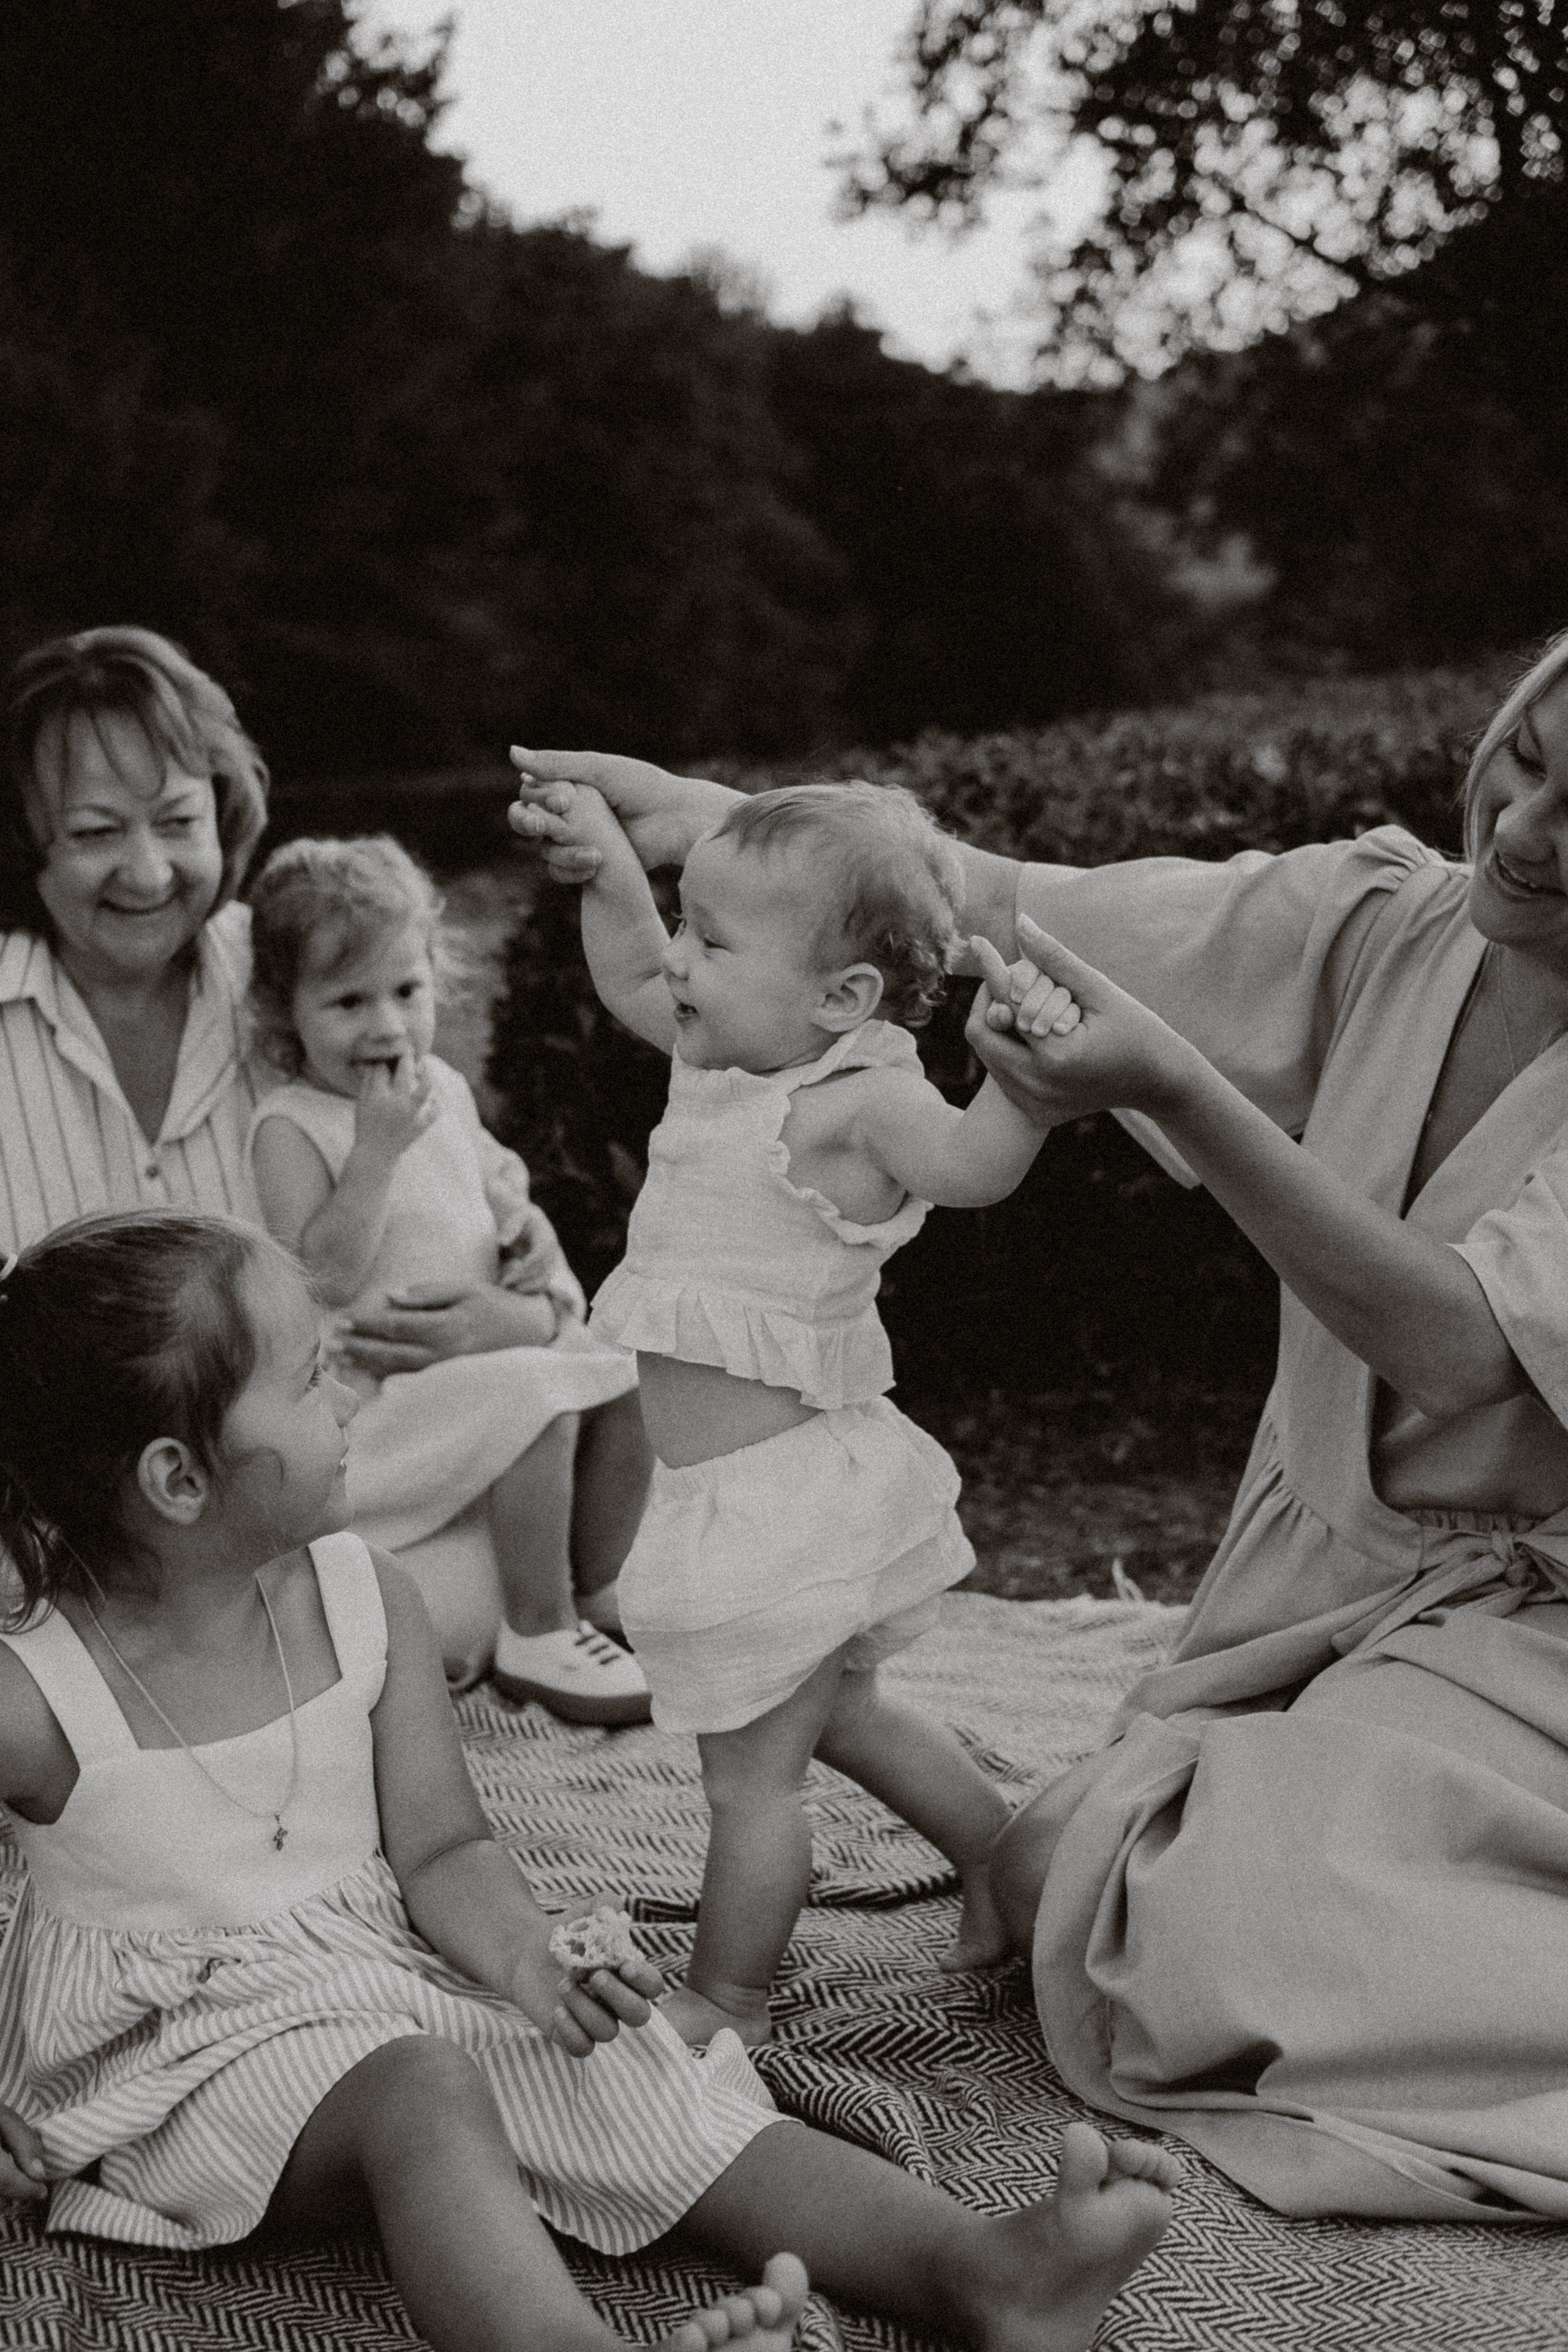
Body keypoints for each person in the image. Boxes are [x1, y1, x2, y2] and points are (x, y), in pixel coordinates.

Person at [507, 641, 1568, 2225]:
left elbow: (1464, 1347)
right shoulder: (1375, 924)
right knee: (1120, 1879)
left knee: (1209, 1924)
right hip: (1322, 1582)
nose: (1527, 825)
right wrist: (724, 829)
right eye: (1529, 757)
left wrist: (1181, 1090)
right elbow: (999, 904)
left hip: (1527, 1627)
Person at [0, 1208, 1180, 2352]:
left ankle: (987, 2276)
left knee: (626, 2065)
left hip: (371, 1975)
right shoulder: (39, 1690)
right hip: (173, 2055)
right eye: (311, 1380)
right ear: (178, 1479)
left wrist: (525, 1963)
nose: (351, 1398)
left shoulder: (368, 1597)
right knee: (419, 2088)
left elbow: (444, 1851)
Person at [513, 774, 1081, 2049]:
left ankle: (732, 2001)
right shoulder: (726, 1056)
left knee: (748, 1781)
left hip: (779, 1515)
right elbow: (624, 979)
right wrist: (606, 863)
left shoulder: (855, 1099)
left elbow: (974, 1170)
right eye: (684, 925)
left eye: (711, 942)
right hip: (734, 1496)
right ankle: (995, 1852)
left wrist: (1026, 1084)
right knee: (842, 1717)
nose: (678, 962)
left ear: (843, 999)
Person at [0, 628, 613, 1680]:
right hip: (58, 1533)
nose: (149, 872)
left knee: (460, 1581)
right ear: (29, 846)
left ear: (223, 816)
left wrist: (512, 1318)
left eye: (179, 822)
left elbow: (516, 1248)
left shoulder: (315, 979)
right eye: (97, 832)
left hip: (339, 1499)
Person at [246, 834, 652, 1724]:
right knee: (533, 1390)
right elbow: (318, 1276)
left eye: (406, 991)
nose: (387, 1026)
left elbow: (497, 1194)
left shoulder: (441, 1088)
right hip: (380, 1403)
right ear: (286, 1011)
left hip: (471, 1374)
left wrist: (531, 1239)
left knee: (634, 1369)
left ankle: (608, 1592)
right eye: (349, 1001)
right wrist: (375, 1155)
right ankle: (538, 1633)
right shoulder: (292, 1124)